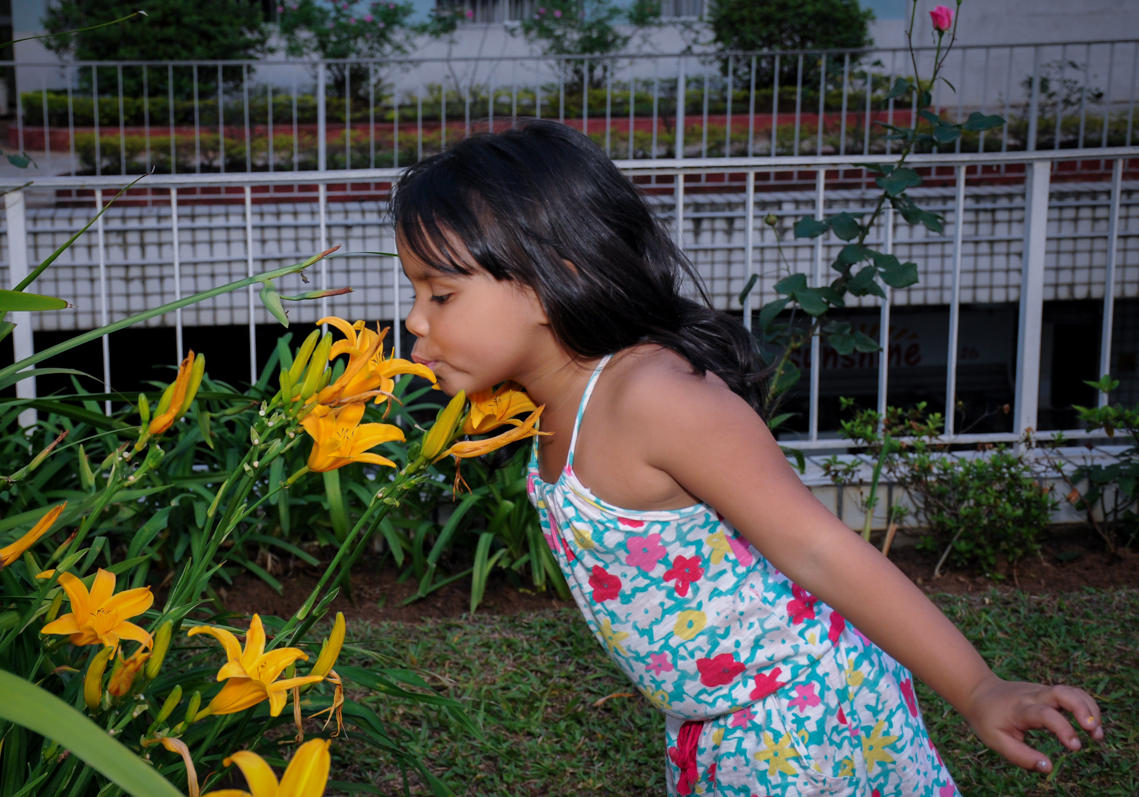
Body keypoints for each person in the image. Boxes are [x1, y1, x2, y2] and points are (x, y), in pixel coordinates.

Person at [388, 119, 1105, 796]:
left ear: (552, 278)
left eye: (440, 293)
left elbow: (820, 549)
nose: (416, 319)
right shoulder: (538, 405)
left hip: (798, 714)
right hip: (721, 724)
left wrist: (978, 688)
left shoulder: (651, 398)